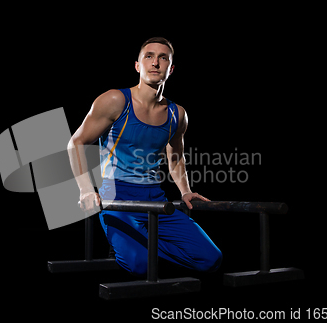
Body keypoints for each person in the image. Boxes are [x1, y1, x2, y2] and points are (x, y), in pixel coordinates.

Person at [67, 37, 222, 276]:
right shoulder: (115, 100)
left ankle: (139, 243)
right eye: (149, 56)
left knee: (210, 259)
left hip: (155, 198)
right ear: (138, 66)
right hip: (116, 197)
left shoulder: (177, 114)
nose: (155, 63)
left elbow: (176, 158)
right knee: (140, 265)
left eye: (163, 58)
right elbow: (76, 142)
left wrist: (185, 191)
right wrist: (86, 189)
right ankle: (133, 248)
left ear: (170, 69)